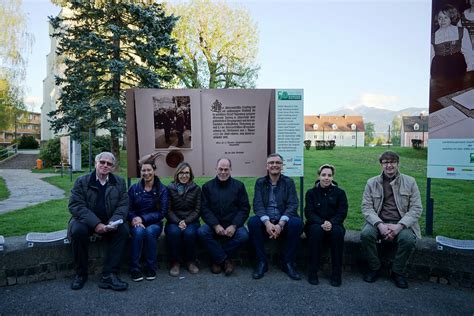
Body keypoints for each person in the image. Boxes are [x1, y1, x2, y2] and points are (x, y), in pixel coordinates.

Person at [360, 151, 423, 289]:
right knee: (366, 234)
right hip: (378, 221)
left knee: (407, 240)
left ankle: (397, 272)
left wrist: (399, 226)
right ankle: (375, 268)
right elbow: (366, 208)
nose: (389, 165)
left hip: (401, 223)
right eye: (385, 162)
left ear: (397, 163)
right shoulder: (372, 182)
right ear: (381, 165)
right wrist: (380, 225)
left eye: (392, 162)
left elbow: (416, 209)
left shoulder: (410, 181)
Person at [68, 152, 129, 291]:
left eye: (109, 164)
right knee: (77, 231)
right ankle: (81, 274)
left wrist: (113, 222)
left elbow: (123, 205)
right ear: (96, 163)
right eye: (102, 162)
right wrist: (96, 224)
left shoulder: (119, 182)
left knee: (124, 230)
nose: (105, 165)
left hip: (109, 221)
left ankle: (109, 274)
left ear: (113, 167)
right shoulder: (82, 181)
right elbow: (76, 205)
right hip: (86, 221)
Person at [248, 153, 303, 280]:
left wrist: (280, 224)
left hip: (283, 220)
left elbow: (293, 204)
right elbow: (258, 205)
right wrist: (267, 223)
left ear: (282, 166)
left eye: (277, 163)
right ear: (267, 166)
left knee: (297, 223)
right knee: (253, 222)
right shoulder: (260, 183)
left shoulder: (288, 182)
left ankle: (287, 262)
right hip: (266, 220)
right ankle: (262, 262)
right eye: (271, 163)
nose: (274, 165)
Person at [198, 157, 250, 276]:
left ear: (230, 169)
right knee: (202, 232)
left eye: (226, 169)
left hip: (232, 223)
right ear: (216, 169)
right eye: (220, 169)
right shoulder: (207, 187)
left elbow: (244, 208)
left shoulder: (239, 186)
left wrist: (234, 225)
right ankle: (225, 260)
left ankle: (217, 259)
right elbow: (204, 209)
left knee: (243, 235)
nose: (223, 172)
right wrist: (215, 225)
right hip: (214, 224)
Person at [304, 164, 348, 287]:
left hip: (334, 223)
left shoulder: (340, 193)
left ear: (333, 177)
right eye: (324, 175)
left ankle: (336, 274)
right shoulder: (311, 193)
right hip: (315, 223)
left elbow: (342, 212)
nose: (326, 178)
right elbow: (309, 212)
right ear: (319, 176)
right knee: (316, 232)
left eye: (329, 175)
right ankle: (313, 272)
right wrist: (321, 223)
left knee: (337, 233)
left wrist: (331, 222)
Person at [127, 159, 168, 282]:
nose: (146, 173)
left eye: (149, 170)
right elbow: (128, 208)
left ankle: (151, 267)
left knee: (150, 232)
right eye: (143, 170)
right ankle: (134, 268)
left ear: (154, 171)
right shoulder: (134, 188)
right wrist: (134, 219)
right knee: (139, 232)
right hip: (136, 222)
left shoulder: (162, 189)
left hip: (154, 222)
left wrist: (143, 218)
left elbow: (163, 212)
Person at [166, 162, 201, 276]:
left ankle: (191, 261)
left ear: (190, 175)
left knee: (189, 233)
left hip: (191, 221)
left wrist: (186, 222)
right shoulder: (170, 188)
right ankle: (175, 262)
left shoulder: (196, 189)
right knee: (174, 233)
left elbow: (197, 210)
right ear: (177, 174)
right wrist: (178, 222)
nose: (184, 175)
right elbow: (168, 210)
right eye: (181, 172)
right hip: (173, 220)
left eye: (187, 173)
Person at [431, 4, 474, 77]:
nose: (442, 20)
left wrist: (470, 69)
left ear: (451, 17)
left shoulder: (461, 31)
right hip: (439, 69)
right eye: (440, 18)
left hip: (458, 66)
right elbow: (431, 56)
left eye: (446, 17)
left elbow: (468, 52)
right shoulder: (433, 36)